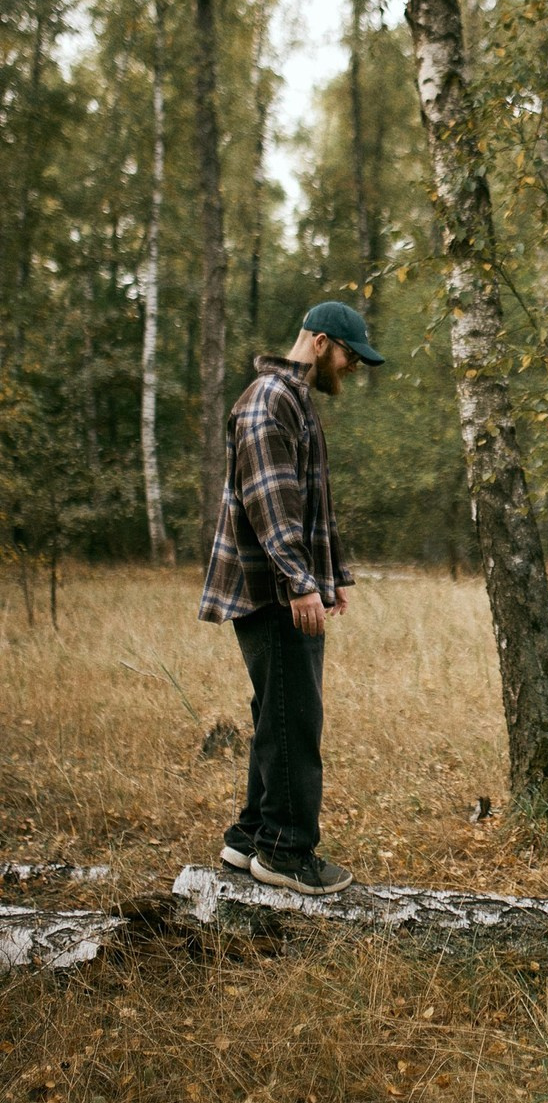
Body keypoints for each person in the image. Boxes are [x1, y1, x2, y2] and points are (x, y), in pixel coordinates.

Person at [198, 300, 385, 896]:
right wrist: (301, 583)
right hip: (270, 591)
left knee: (276, 714)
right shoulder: (269, 399)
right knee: (294, 718)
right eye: (350, 355)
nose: (352, 368)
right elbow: (270, 502)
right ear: (322, 341)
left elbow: (312, 502)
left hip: (285, 587)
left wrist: (333, 576)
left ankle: (250, 836)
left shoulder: (293, 399)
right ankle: (285, 853)